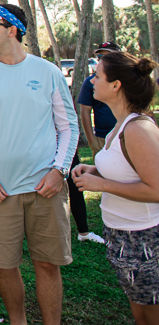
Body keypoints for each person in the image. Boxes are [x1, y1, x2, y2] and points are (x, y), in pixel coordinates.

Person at [0, 4, 78, 325]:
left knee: (48, 264)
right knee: (3, 265)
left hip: (46, 191)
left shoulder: (48, 72)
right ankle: (18, 321)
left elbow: (69, 127)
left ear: (12, 30)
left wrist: (59, 170)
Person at [72, 52, 159, 324]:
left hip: (144, 240)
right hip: (122, 236)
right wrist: (94, 170)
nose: (92, 80)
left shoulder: (138, 129)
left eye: (97, 75)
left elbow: (156, 189)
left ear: (115, 85)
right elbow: (128, 168)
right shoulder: (118, 127)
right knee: (139, 311)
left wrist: (101, 184)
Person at [71, 42, 123, 245]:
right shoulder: (90, 83)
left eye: (107, 56)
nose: (102, 61)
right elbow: (85, 112)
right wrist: (92, 140)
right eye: (100, 57)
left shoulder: (135, 127)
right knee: (109, 183)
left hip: (125, 138)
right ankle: (112, 229)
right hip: (102, 138)